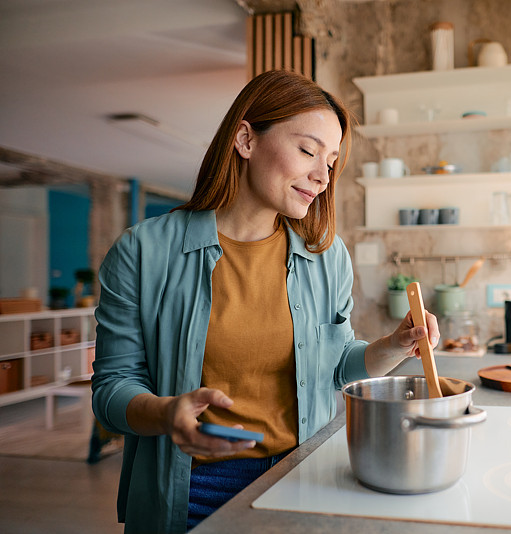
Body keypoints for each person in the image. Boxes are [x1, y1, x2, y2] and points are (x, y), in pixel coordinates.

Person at [91, 70, 440, 534]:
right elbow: (112, 389)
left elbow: (337, 365)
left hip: (304, 475)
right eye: (308, 150)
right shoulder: (142, 252)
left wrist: (397, 345)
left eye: (331, 161)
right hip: (193, 490)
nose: (322, 176)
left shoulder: (326, 255)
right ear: (245, 139)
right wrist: (164, 413)